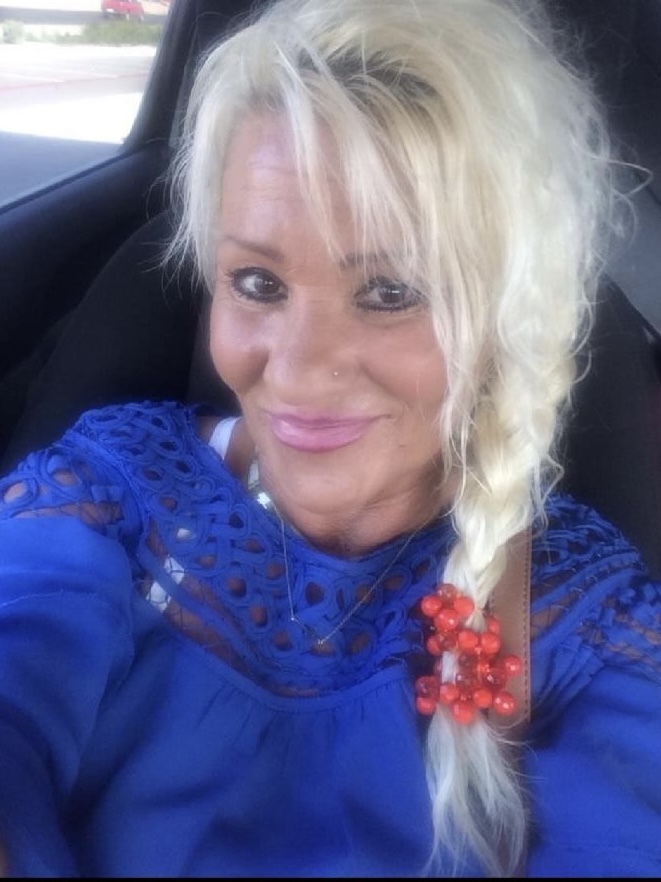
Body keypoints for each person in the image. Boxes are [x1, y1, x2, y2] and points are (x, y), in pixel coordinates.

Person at [0, 0, 659, 875]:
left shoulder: (582, 619)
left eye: (390, 292)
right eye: (257, 282)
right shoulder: (108, 493)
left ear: (506, 317)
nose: (301, 371)